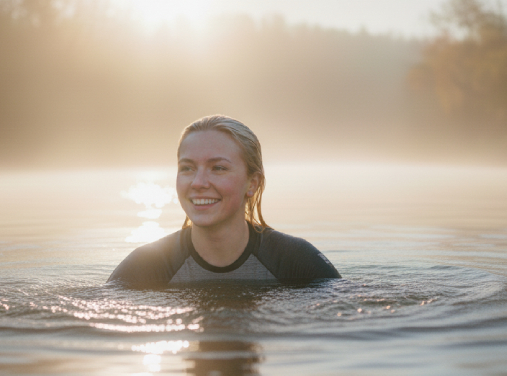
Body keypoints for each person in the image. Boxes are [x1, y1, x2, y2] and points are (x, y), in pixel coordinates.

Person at [107, 115, 340, 286]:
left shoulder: (295, 260)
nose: (198, 182)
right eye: (187, 168)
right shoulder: (147, 265)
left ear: (252, 183)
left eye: (218, 168)